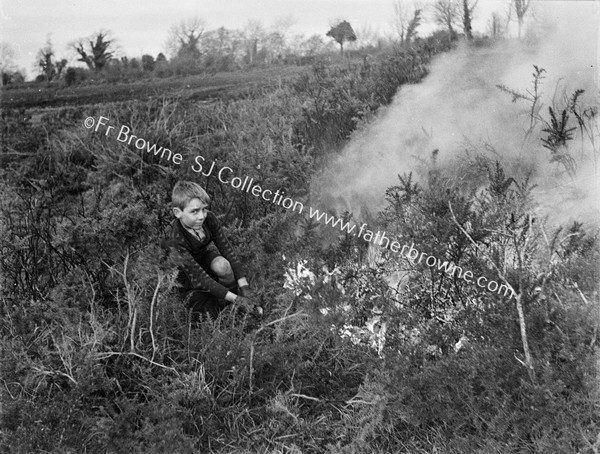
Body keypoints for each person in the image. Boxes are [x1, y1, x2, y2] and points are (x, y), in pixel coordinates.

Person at [163, 180, 262, 321]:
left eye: (203, 209)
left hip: (202, 260)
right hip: (184, 277)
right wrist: (239, 299)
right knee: (209, 313)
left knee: (223, 265)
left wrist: (245, 287)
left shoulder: (209, 219)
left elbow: (228, 251)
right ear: (178, 213)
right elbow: (200, 278)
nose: (201, 216)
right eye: (194, 211)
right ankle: (231, 304)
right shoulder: (174, 239)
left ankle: (232, 307)